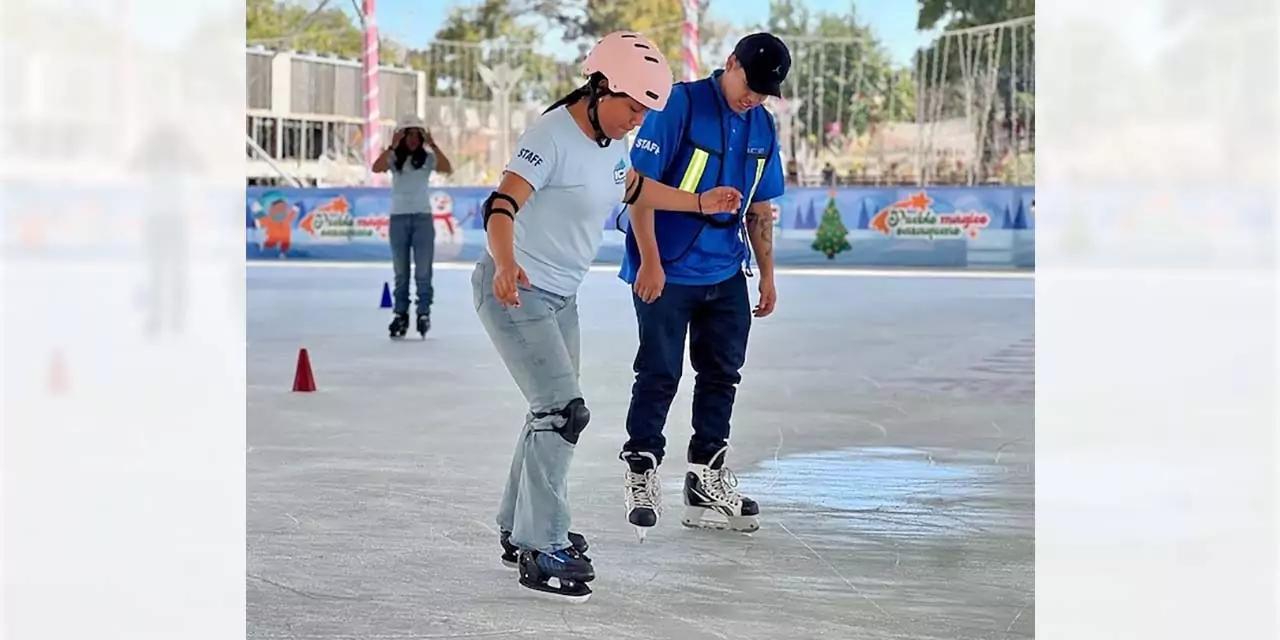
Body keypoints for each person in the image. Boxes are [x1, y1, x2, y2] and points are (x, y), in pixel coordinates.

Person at [472, 31, 742, 602]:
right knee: (562, 412)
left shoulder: (610, 143)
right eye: (632, 107)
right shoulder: (551, 136)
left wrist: (700, 200)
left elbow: (637, 189)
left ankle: (516, 528)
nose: (637, 121)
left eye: (646, 112)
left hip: (559, 298)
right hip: (515, 290)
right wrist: (504, 263)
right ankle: (542, 541)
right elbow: (501, 205)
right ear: (600, 87)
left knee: (545, 413)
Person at [617, 32, 791, 539]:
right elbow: (638, 189)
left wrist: (768, 275)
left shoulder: (762, 125)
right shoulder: (679, 104)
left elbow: (760, 206)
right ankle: (641, 470)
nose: (753, 97)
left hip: (725, 271)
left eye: (764, 90)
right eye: (750, 84)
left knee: (722, 375)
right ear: (730, 63)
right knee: (659, 373)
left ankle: (705, 479)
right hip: (666, 268)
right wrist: (649, 261)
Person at [372, 114, 454, 338]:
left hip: (422, 219)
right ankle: (400, 313)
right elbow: (376, 168)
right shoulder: (393, 159)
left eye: (417, 136)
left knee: (424, 271)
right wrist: (392, 146)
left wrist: (433, 144)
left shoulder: (427, 159)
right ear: (401, 136)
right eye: (408, 135)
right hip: (398, 218)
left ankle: (423, 311)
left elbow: (447, 168)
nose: (413, 140)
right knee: (401, 271)